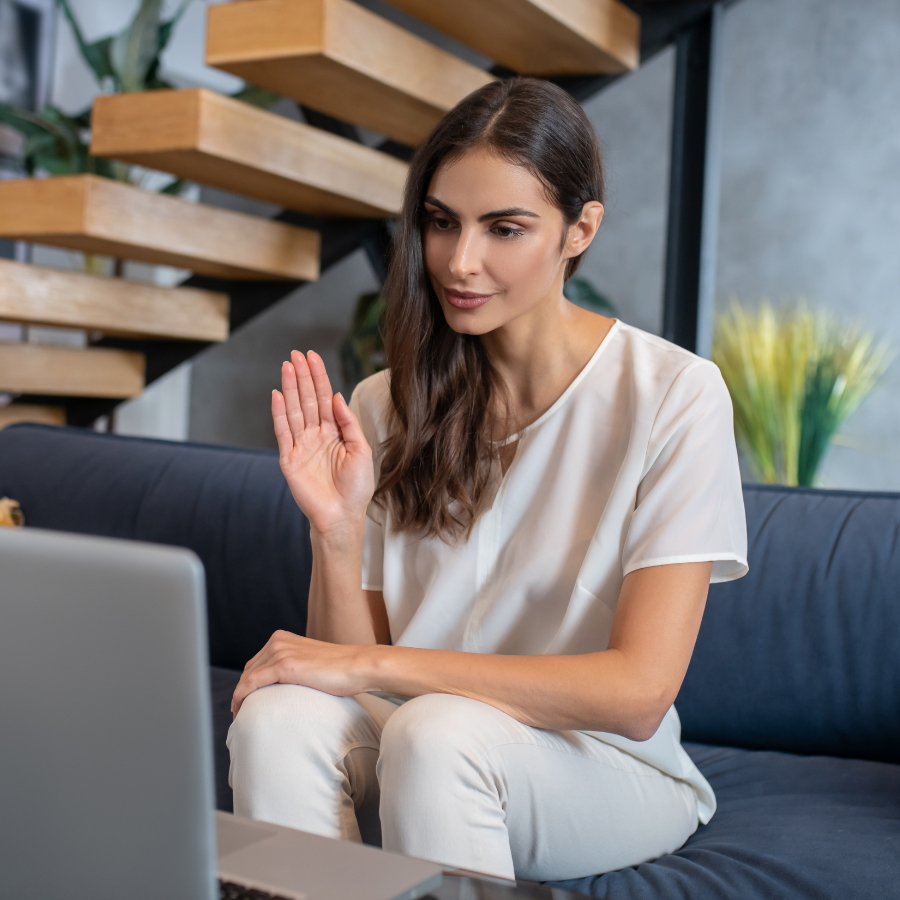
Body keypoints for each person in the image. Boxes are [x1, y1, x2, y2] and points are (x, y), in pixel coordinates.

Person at [227, 77, 748, 883]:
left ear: (580, 230)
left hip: (598, 768)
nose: (460, 262)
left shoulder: (674, 395)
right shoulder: (382, 404)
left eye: (504, 228)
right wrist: (335, 532)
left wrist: (375, 670)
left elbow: (639, 692)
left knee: (437, 735)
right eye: (441, 224)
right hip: (412, 741)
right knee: (277, 720)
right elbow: (346, 665)